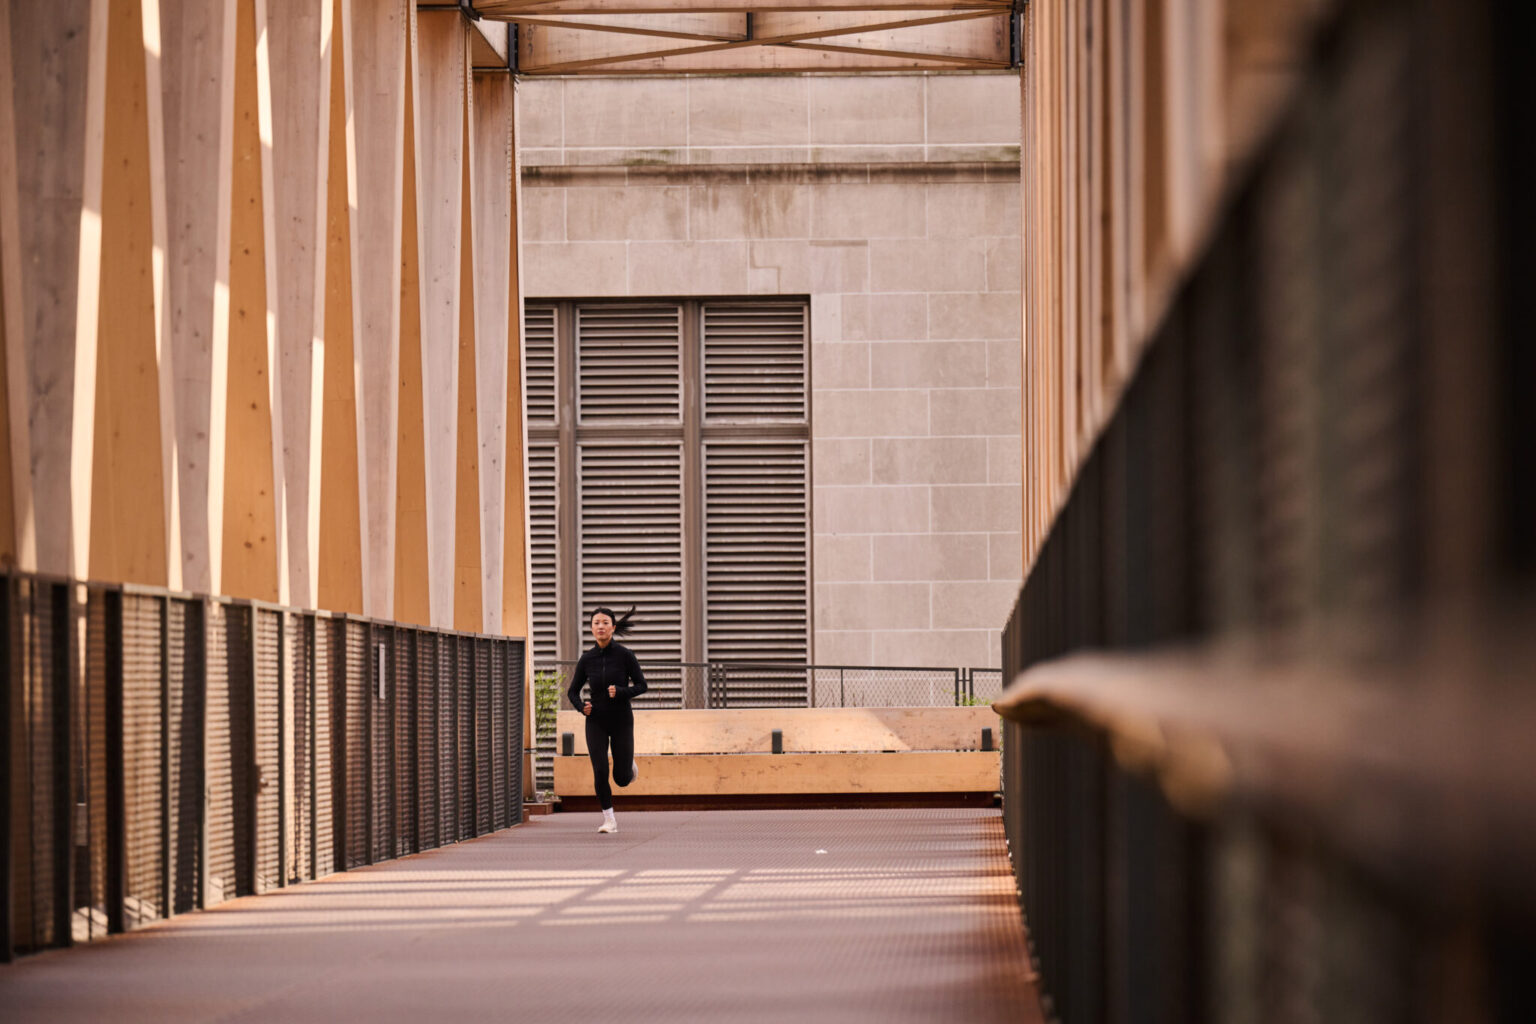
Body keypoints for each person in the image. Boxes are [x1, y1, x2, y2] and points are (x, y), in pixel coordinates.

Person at [566, 605, 647, 833]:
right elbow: (572, 692)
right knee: (600, 770)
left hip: (621, 719)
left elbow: (642, 685)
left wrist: (621, 691)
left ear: (612, 627)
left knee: (621, 779)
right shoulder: (587, 659)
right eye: (596, 623)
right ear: (591, 628)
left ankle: (627, 766)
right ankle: (609, 820)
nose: (600, 626)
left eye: (604, 622)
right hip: (596, 721)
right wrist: (582, 707)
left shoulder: (625, 655)